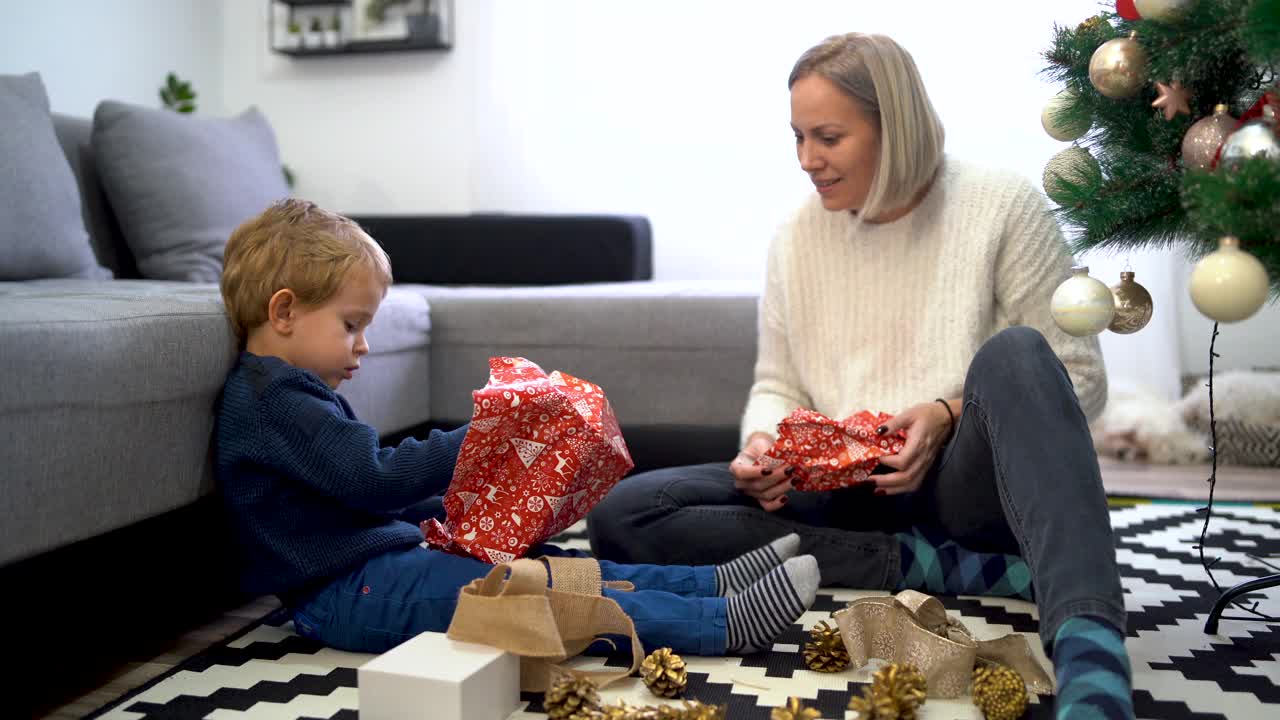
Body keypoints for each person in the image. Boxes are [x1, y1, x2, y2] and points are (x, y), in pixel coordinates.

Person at [588, 34, 1133, 719]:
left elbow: (1079, 381)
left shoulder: (1002, 205)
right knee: (624, 515)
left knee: (1020, 351)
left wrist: (944, 413)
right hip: (842, 492)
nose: (807, 160)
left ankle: (1090, 647)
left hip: (965, 485)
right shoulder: (794, 236)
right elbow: (777, 383)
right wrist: (761, 446)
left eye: (829, 137)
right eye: (797, 137)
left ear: (894, 128)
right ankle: (925, 567)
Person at [211, 199, 820, 659]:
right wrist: (482, 435)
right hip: (343, 597)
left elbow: (355, 494)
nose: (364, 345)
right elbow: (372, 479)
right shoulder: (274, 402)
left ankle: (707, 583)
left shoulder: (288, 393)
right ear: (284, 311)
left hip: (370, 573)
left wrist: (455, 513)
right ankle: (717, 625)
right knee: (535, 594)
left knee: (548, 565)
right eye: (351, 325)